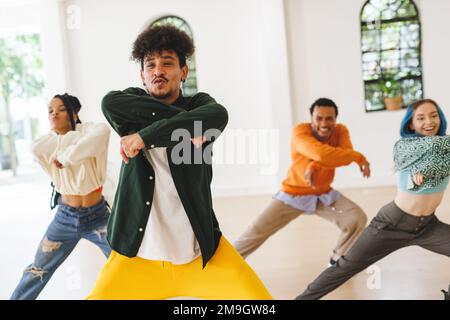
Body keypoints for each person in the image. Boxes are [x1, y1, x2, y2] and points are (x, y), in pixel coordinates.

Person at [87, 25, 272, 300]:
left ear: (184, 72)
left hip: (201, 256)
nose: (157, 71)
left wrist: (144, 136)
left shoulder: (202, 105)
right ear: (142, 75)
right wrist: (184, 124)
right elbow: (108, 102)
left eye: (167, 63)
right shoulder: (128, 104)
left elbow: (217, 115)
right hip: (137, 258)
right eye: (150, 65)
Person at [296, 99, 450, 300]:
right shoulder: (405, 147)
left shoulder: (446, 148)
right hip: (392, 223)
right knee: (345, 267)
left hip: (428, 226)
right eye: (420, 118)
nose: (429, 121)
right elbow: (410, 180)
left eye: (433, 115)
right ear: (411, 124)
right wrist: (416, 179)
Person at [234, 98, 370, 266]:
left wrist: (315, 165)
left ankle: (336, 262)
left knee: (357, 218)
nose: (324, 123)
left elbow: (344, 155)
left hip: (323, 194)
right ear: (311, 118)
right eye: (319, 118)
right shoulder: (300, 131)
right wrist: (358, 157)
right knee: (255, 231)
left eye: (329, 118)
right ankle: (227, 264)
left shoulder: (340, 131)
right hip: (293, 194)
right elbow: (323, 154)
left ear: (335, 119)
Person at [10, 93, 111, 300]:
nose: (54, 113)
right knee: (38, 270)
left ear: (74, 114)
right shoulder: (43, 143)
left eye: (61, 109)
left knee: (128, 260)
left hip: (98, 216)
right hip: (65, 217)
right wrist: (79, 142)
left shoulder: (94, 130)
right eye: (50, 110)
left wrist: (66, 156)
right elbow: (46, 146)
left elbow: (101, 134)